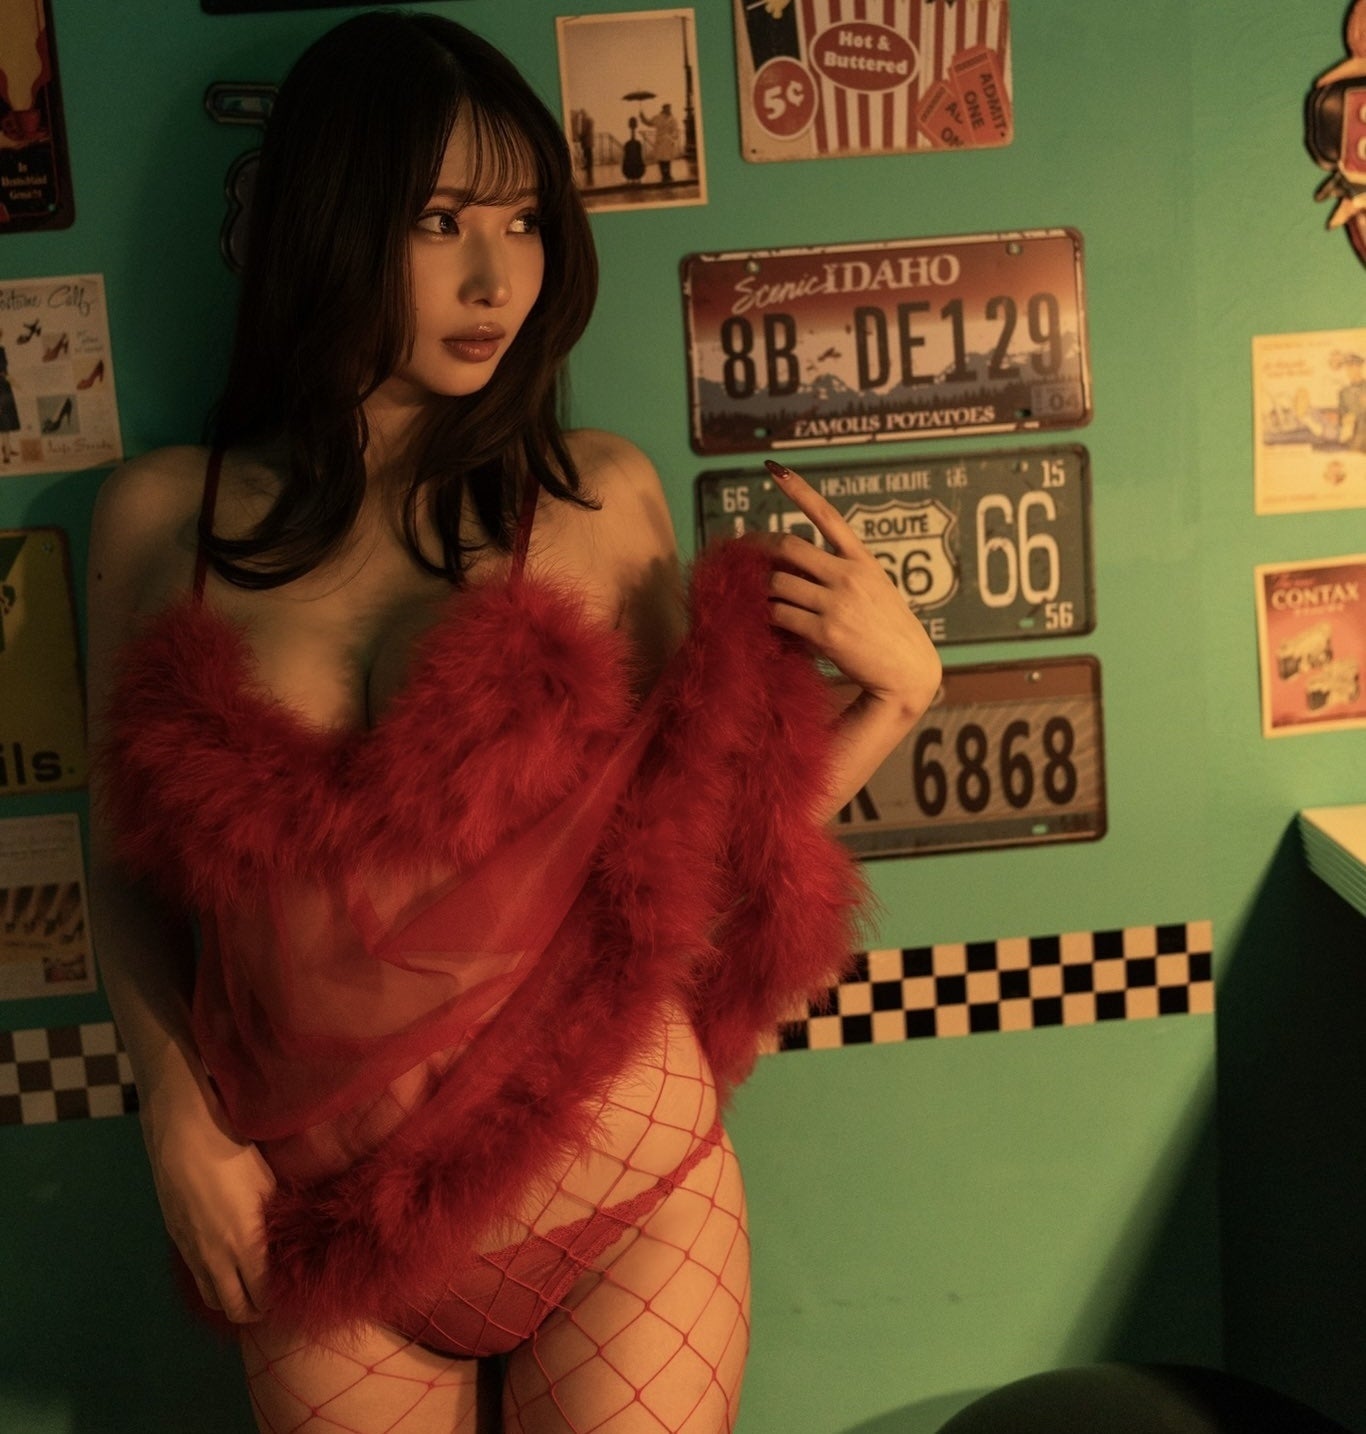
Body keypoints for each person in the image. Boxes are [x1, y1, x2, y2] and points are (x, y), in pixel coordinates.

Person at [86, 11, 939, 1434]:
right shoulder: (160, 518)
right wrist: (174, 1114)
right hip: (321, 1227)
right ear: (327, 221)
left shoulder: (596, 499)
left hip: (621, 1199)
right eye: (438, 222)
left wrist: (900, 694)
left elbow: (702, 852)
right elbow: (121, 869)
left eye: (526, 220)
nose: (497, 278)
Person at [637, 101, 682, 184]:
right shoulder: (658, 117)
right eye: (667, 108)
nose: (668, 110)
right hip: (660, 141)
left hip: (668, 141)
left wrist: (673, 138)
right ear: (663, 109)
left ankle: (668, 175)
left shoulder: (673, 119)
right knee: (661, 159)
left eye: (669, 108)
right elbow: (649, 123)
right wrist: (642, 116)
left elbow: (675, 130)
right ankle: (664, 175)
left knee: (668, 159)